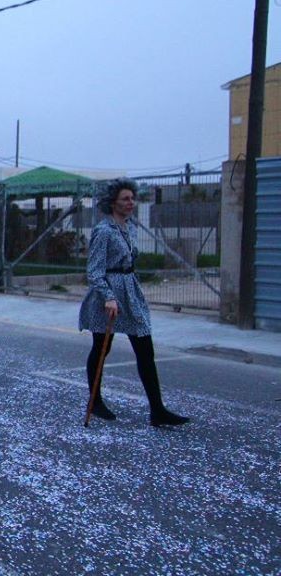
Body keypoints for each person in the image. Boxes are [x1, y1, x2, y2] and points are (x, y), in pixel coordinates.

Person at [79, 178, 189, 427]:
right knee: (102, 347)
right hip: (107, 294)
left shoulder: (130, 227)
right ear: (113, 203)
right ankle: (95, 401)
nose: (131, 203)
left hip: (130, 291)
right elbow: (94, 271)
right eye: (125, 199)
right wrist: (108, 297)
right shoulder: (103, 231)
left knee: (145, 348)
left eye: (132, 198)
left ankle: (157, 410)